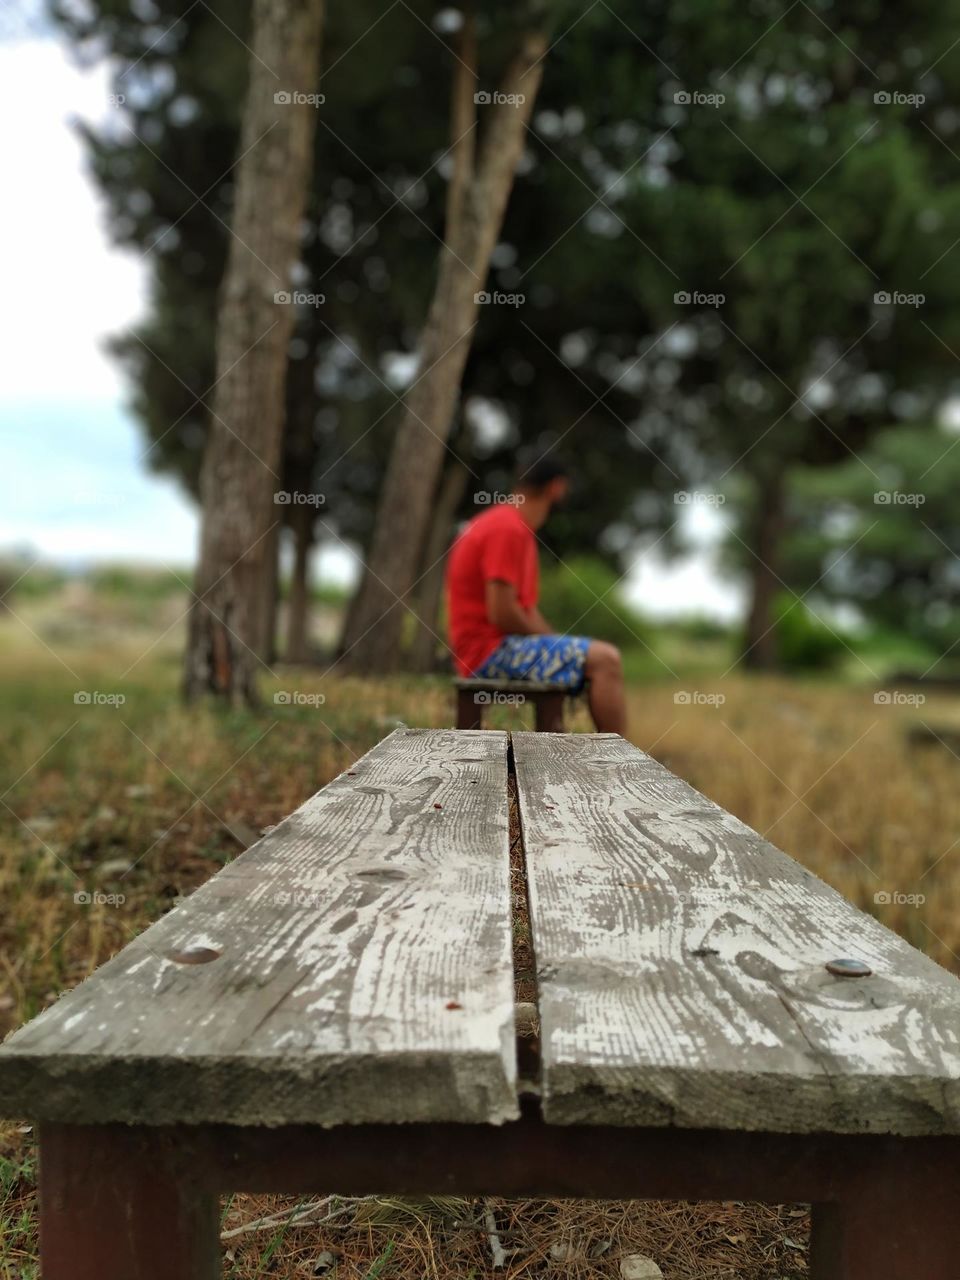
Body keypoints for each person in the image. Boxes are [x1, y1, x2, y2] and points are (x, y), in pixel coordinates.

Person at [445, 454, 628, 735]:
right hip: (487, 653)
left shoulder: (504, 523)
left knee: (591, 654)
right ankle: (618, 759)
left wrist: (554, 640)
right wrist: (554, 641)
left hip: (485, 649)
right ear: (556, 487)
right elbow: (502, 613)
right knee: (606, 660)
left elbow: (524, 610)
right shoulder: (508, 528)